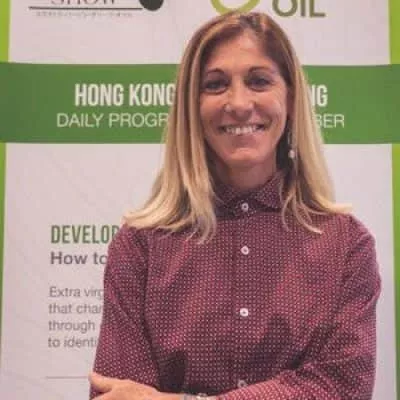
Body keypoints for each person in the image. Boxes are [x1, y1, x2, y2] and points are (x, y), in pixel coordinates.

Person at [89, 11, 381, 400]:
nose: (239, 103)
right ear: (192, 107)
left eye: (259, 81)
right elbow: (118, 395)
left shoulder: (346, 246)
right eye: (216, 85)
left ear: (291, 98)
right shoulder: (140, 247)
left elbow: (343, 386)